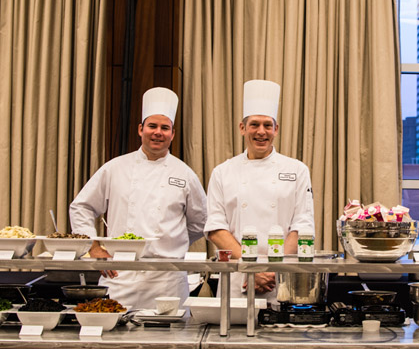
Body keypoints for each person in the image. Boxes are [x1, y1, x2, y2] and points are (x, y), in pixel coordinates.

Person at [69, 87, 207, 310]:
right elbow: (81, 207)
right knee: (116, 329)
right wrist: (93, 247)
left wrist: (171, 243)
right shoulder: (115, 168)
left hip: (167, 280)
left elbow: (201, 223)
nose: (158, 132)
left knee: (171, 332)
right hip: (120, 275)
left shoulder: (185, 174)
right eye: (152, 126)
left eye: (165, 128)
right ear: (140, 129)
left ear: (172, 134)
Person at [205, 79, 314, 304]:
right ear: (242, 128)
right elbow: (216, 229)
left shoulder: (297, 170)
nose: (261, 132)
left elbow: (302, 226)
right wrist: (252, 268)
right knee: (233, 326)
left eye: (267, 125)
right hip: (238, 276)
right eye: (254, 124)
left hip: (281, 278)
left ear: (276, 129)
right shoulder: (222, 172)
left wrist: (271, 269)